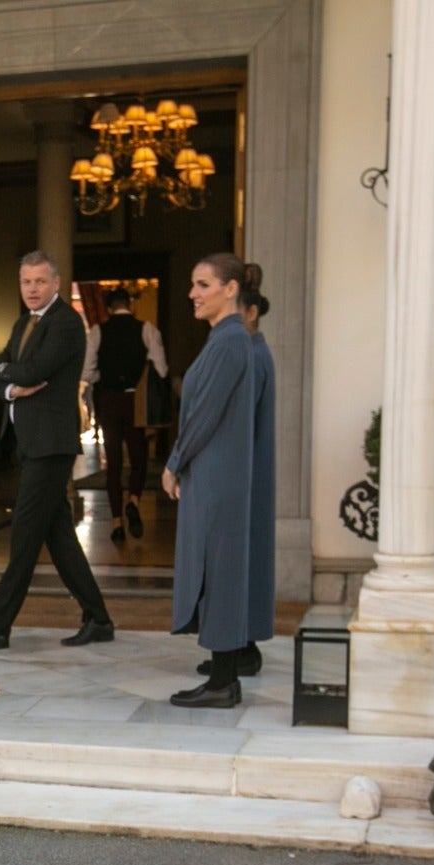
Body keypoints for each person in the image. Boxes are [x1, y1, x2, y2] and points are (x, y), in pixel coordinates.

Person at [0, 250, 115, 649]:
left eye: (40, 281)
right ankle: (99, 618)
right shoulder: (24, 322)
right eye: (26, 282)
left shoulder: (67, 323)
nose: (32, 289)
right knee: (58, 536)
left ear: (56, 283)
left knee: (24, 535)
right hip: (31, 442)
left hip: (52, 445)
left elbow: (33, 370)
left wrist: (12, 375)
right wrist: (10, 384)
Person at [160, 254, 261, 708]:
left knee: (220, 570)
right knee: (220, 569)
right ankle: (224, 675)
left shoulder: (230, 342)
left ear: (231, 289)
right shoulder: (229, 340)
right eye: (193, 284)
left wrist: (175, 461)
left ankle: (222, 682)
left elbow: (205, 413)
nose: (192, 294)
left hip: (216, 473)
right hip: (217, 470)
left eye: (203, 285)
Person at [199, 270, 279, 680]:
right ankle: (241, 649)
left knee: (233, 566)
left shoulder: (246, 353)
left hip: (238, 474)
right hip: (245, 471)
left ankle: (234, 655)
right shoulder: (250, 352)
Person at [81, 286, 168, 545]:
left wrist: (103, 377)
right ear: (130, 304)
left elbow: (86, 372)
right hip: (135, 400)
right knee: (139, 457)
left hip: (109, 399)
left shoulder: (98, 332)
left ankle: (117, 523)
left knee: (114, 463)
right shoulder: (147, 329)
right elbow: (161, 370)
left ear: (108, 307)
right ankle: (133, 500)